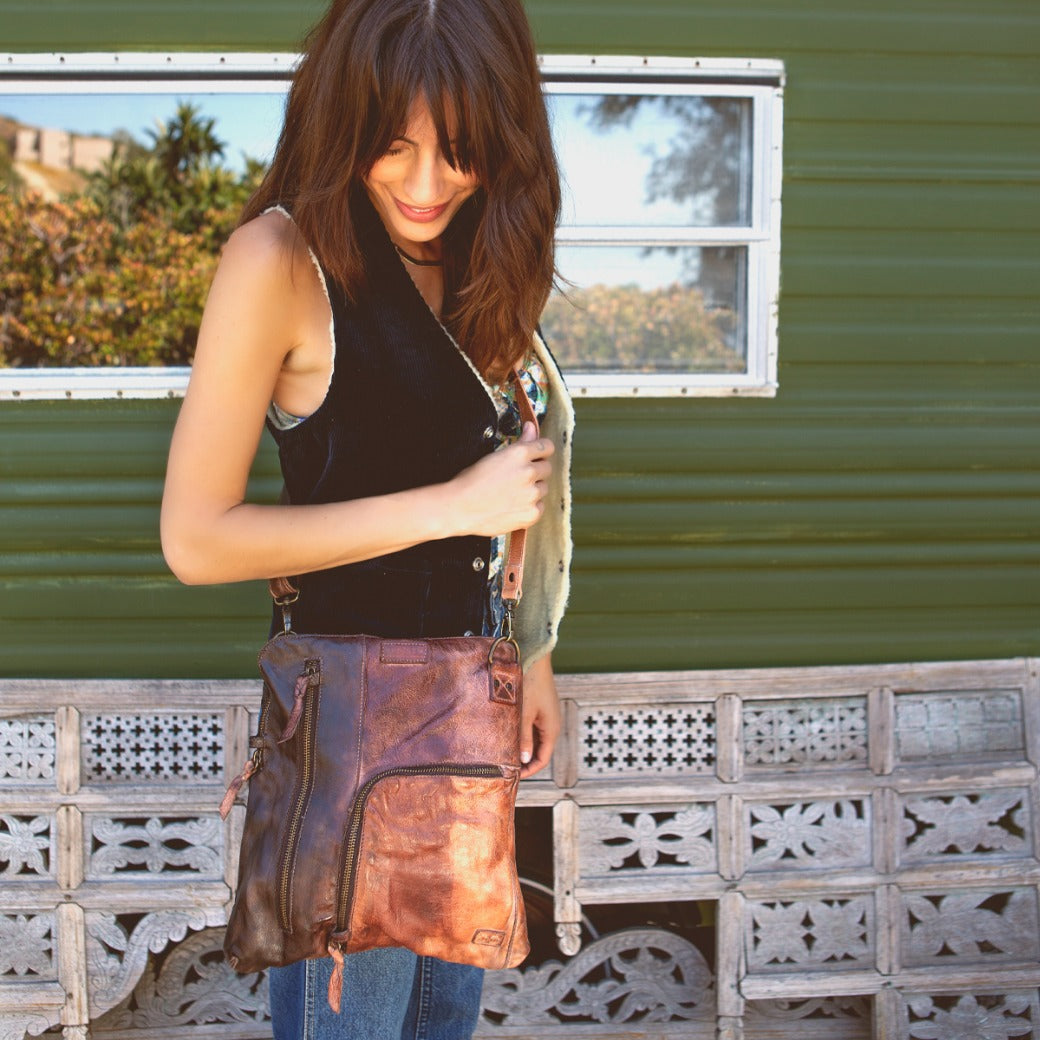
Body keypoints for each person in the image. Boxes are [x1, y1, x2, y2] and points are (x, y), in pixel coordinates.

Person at [160, 0, 573, 1036]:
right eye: (392, 146)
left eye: (462, 151)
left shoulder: (489, 258)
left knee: (440, 1023)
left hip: (466, 717)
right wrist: (448, 507)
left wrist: (535, 650)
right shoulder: (281, 261)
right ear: (342, 119)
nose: (426, 184)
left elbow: (520, 475)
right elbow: (196, 537)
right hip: (353, 736)